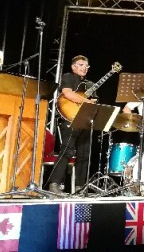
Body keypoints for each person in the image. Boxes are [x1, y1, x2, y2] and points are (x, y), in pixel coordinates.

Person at [48, 55, 97, 195]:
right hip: (69, 119)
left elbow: (93, 101)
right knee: (66, 150)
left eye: (86, 66)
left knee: (84, 154)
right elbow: (68, 94)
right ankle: (54, 184)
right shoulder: (68, 77)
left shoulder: (90, 84)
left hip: (84, 120)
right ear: (73, 66)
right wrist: (86, 101)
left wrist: (92, 102)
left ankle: (80, 187)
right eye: (81, 65)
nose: (84, 68)